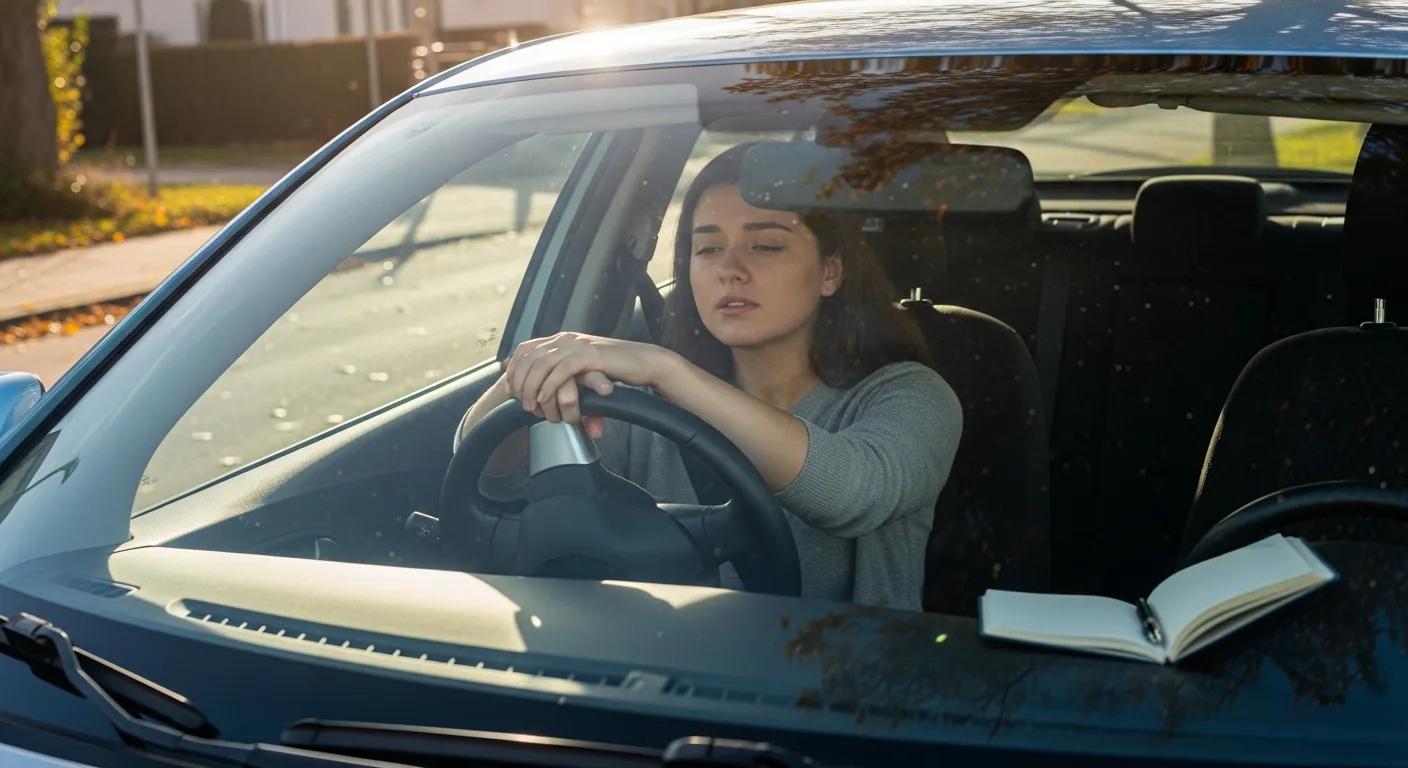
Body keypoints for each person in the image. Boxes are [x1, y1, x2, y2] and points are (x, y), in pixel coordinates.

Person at [456, 142, 963, 610]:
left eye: (765, 246)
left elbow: (854, 493)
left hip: (837, 696)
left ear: (831, 272)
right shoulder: (639, 402)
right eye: (707, 248)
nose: (730, 269)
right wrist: (525, 374)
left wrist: (667, 370)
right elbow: (489, 479)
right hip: (661, 677)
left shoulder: (910, 395)